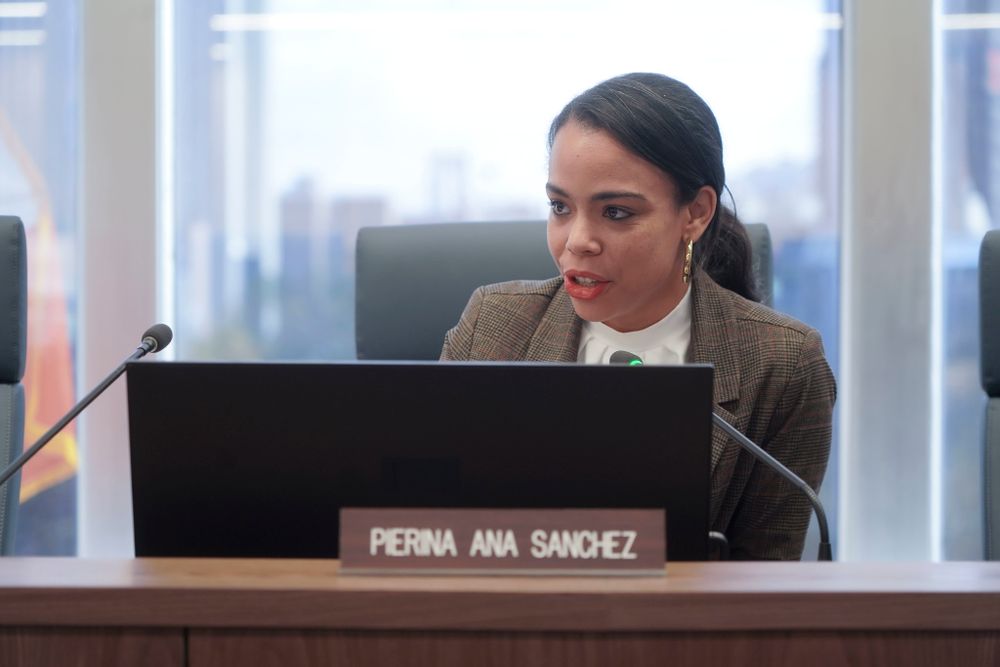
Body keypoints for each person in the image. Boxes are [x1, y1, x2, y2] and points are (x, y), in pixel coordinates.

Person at [440, 72, 836, 560]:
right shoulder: (491, 328)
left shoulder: (783, 366)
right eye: (560, 206)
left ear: (694, 213)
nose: (576, 240)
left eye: (616, 213)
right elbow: (436, 534)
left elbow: (762, 584)